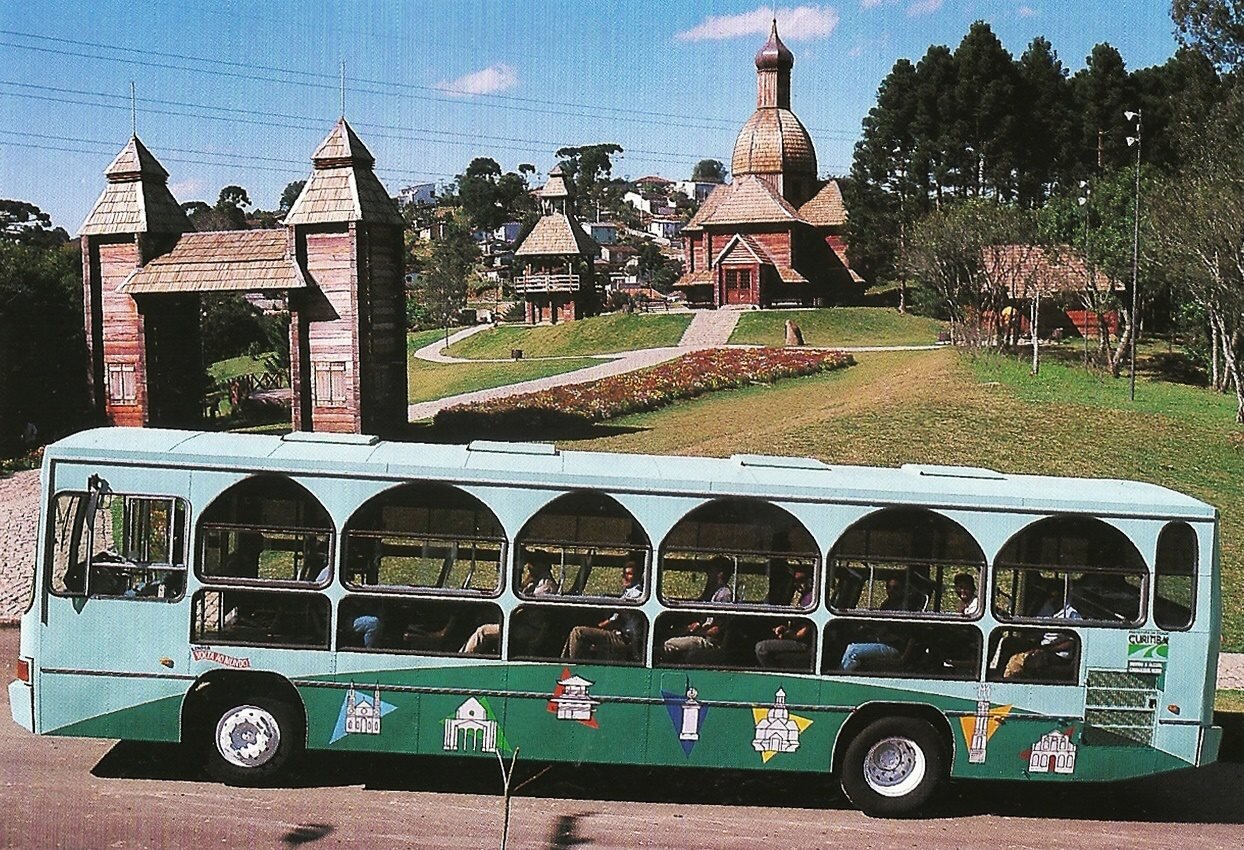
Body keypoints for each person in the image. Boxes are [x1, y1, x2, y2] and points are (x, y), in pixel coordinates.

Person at [461, 559, 557, 654]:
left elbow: (526, 607)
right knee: (481, 618)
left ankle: (465, 657)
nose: (529, 566)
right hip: (522, 623)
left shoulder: (546, 585)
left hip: (530, 628)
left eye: (533, 564)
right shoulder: (535, 580)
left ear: (542, 565)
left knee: (482, 632)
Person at [562, 561, 644, 660]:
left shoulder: (636, 593)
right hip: (619, 633)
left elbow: (616, 619)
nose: (625, 577)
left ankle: (574, 667)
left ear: (637, 576)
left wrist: (598, 626)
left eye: (629, 574)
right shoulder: (628, 591)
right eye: (624, 573)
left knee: (578, 633)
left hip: (623, 638)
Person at [839, 576, 923, 671]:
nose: (891, 590)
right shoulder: (887, 604)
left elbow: (914, 635)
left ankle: (838, 680)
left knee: (852, 651)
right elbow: (881, 626)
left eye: (895, 588)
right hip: (882, 641)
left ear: (903, 589)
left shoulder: (907, 608)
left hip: (894, 647)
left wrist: (903, 658)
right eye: (888, 587)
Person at [1003, 582, 1082, 679]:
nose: (1052, 599)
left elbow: (1072, 642)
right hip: (1043, 645)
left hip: (1058, 654)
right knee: (1008, 642)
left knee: (1019, 661)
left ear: (1063, 596)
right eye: (1050, 596)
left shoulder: (1071, 614)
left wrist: (1047, 649)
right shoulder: (1048, 607)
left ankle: (1009, 681)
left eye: (1055, 596)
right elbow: (1038, 626)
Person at [663, 557, 734, 662]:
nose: (708, 575)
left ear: (720, 574)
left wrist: (698, 631)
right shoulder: (713, 591)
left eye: (711, 571)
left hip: (710, 641)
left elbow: (718, 628)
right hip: (702, 632)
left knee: (669, 644)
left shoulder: (724, 595)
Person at [754, 568, 815, 670]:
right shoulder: (801, 598)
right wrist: (784, 629)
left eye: (801, 581)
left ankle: (775, 675)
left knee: (761, 648)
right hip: (795, 638)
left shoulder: (811, 599)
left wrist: (788, 634)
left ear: (810, 581)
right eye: (795, 581)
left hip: (804, 644)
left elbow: (802, 633)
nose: (796, 584)